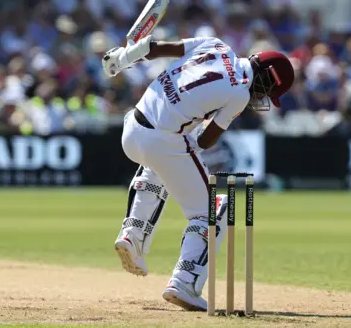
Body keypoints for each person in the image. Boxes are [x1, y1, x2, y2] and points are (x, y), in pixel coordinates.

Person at [101, 35, 294, 311]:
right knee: (214, 209)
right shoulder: (240, 91)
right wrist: (192, 138)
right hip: (162, 140)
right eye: (267, 91)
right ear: (266, 77)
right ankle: (185, 282)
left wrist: (123, 58)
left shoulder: (215, 44)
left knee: (161, 166)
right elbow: (207, 139)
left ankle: (133, 234)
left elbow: (155, 49)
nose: (262, 97)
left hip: (133, 126)